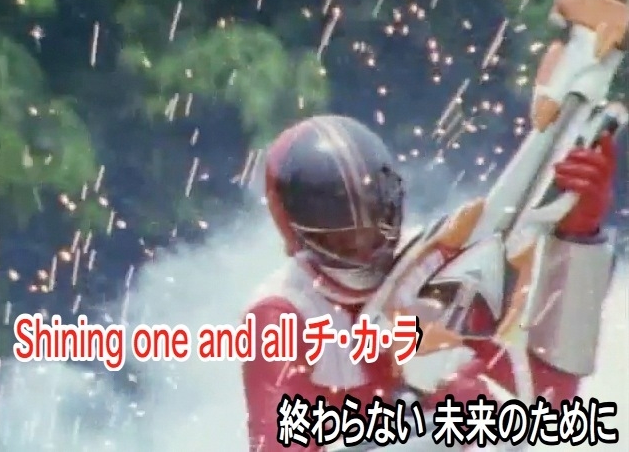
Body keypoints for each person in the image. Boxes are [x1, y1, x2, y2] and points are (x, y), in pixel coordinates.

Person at [241, 114, 617, 451]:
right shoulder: (281, 315)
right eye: (342, 237)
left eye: (376, 222)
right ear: (294, 234)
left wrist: (577, 235)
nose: (364, 246)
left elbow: (548, 398)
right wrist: (419, 412)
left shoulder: (438, 263)